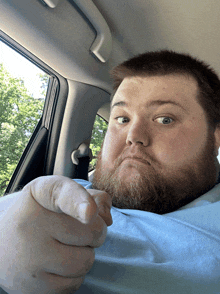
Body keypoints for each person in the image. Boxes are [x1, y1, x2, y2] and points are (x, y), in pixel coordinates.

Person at [0, 50, 220, 294]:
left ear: (215, 137)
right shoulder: (68, 191)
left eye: (164, 119)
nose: (133, 136)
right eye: (122, 119)